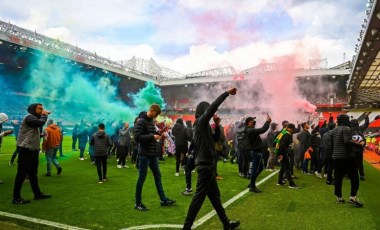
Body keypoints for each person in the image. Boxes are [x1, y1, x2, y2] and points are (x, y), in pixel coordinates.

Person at [183, 88, 240, 230]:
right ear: (203, 111)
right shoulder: (200, 122)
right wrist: (226, 93)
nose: (211, 112)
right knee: (199, 198)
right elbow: (214, 106)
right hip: (205, 166)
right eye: (208, 110)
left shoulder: (203, 126)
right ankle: (186, 227)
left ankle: (226, 224)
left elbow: (215, 140)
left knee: (215, 198)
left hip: (208, 166)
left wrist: (217, 125)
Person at [134, 104, 176, 211]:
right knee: (141, 178)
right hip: (144, 154)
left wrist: (159, 133)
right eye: (156, 114)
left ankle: (163, 199)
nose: (156, 117)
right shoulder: (141, 121)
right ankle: (137, 203)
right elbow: (137, 137)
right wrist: (153, 136)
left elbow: (151, 135)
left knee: (158, 175)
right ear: (151, 110)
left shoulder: (151, 122)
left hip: (152, 154)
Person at [12, 103, 51, 204]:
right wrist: (45, 115)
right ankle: (16, 198)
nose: (42, 110)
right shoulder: (29, 117)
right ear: (33, 109)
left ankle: (37, 194)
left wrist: (41, 135)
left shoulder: (33, 119)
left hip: (33, 149)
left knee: (33, 174)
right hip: (26, 149)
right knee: (22, 174)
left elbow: (31, 133)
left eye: (42, 109)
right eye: (40, 109)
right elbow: (40, 123)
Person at [331, 114, 363, 207]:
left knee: (338, 178)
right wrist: (359, 144)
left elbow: (332, 145)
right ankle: (353, 197)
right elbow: (346, 141)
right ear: (346, 120)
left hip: (336, 157)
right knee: (354, 177)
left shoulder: (334, 130)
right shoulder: (346, 129)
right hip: (347, 157)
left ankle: (339, 197)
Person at [240, 115, 271, 193]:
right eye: (251, 122)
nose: (253, 123)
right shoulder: (250, 130)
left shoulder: (250, 129)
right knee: (255, 169)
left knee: (260, 168)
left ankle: (251, 183)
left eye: (254, 122)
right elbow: (263, 129)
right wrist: (267, 122)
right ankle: (252, 186)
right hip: (255, 152)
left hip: (256, 151)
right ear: (247, 123)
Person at [275, 123, 300, 189]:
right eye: (292, 129)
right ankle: (291, 184)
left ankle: (279, 181)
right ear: (289, 128)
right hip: (282, 153)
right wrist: (287, 151)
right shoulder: (287, 135)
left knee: (283, 167)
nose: (292, 131)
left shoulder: (283, 132)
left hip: (280, 152)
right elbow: (283, 146)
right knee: (287, 167)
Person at [350, 112, 369, 180]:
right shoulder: (360, 128)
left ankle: (351, 174)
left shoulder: (349, 130)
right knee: (360, 162)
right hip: (360, 149)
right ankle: (361, 175)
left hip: (352, 149)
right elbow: (366, 124)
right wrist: (366, 116)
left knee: (352, 162)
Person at [0, 113, 13, 184]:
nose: (4, 122)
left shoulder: (0, 124)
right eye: (3, 120)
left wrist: (5, 134)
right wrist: (4, 133)